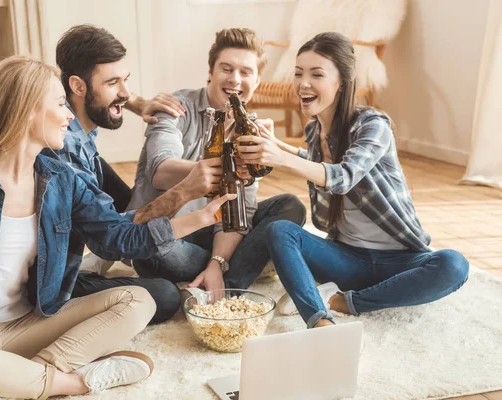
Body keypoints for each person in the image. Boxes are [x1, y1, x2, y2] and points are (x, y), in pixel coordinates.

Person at [0, 55, 234, 399]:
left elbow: (117, 239)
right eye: (61, 104)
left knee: (138, 299)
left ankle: (24, 378)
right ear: (27, 109)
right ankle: (73, 382)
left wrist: (202, 217)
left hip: (28, 326)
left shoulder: (62, 180)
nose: (70, 115)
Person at [235, 32, 470, 329]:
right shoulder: (313, 132)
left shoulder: (373, 124)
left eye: (316, 74)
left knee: (454, 265)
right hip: (347, 259)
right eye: (298, 73)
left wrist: (281, 157)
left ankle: (340, 301)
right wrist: (279, 145)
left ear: (342, 84)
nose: (303, 83)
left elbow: (344, 175)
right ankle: (321, 322)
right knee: (280, 230)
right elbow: (320, 160)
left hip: (399, 261)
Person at [52, 24, 222, 323]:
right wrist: (184, 190)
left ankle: (146, 241)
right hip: (55, 279)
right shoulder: (65, 151)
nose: (125, 92)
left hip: (93, 222)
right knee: (165, 295)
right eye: (113, 82)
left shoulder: (66, 115)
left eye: (125, 80)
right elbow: (110, 240)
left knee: (103, 171)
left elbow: (90, 88)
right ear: (77, 86)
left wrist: (135, 103)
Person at [127, 28, 306, 295]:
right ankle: (242, 267)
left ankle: (221, 281)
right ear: (211, 71)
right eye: (226, 69)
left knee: (291, 206)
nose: (235, 79)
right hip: (169, 233)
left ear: (256, 81)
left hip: (215, 233)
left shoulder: (251, 132)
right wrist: (227, 170)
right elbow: (159, 170)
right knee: (151, 245)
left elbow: (238, 214)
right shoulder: (176, 107)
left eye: (246, 72)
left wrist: (217, 261)